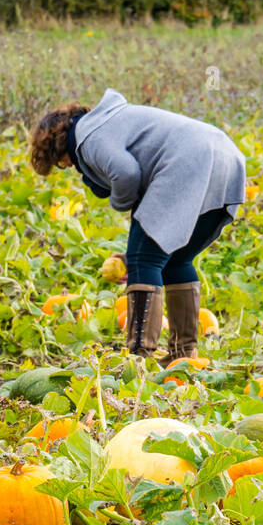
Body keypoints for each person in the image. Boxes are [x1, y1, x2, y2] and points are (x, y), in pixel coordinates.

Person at [28, 89, 246, 362]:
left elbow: (126, 173)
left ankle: (139, 357)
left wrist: (120, 205)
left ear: (59, 149)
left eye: (62, 164)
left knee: (145, 260)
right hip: (226, 158)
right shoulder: (113, 120)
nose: (68, 166)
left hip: (189, 163)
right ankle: (184, 355)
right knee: (176, 259)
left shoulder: (89, 136)